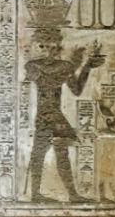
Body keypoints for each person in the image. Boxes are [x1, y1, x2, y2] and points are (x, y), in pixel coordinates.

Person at [25, 24, 104, 200]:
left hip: (55, 115)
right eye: (43, 46)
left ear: (58, 47)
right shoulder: (34, 66)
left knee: (60, 155)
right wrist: (74, 66)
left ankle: (72, 195)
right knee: (39, 154)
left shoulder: (63, 67)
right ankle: (37, 194)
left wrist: (86, 68)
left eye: (53, 46)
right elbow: (48, 79)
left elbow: (76, 90)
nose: (48, 50)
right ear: (37, 46)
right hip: (45, 116)